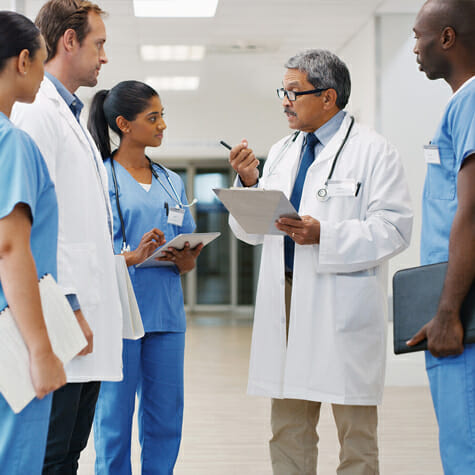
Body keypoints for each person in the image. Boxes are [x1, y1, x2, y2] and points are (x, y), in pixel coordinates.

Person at [227, 49, 413, 475]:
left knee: (356, 435)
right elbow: (255, 230)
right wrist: (250, 185)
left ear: (328, 97)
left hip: (341, 300)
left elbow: (395, 228)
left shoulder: (373, 151)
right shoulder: (282, 151)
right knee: (288, 428)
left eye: (293, 92)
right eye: (283, 91)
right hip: (287, 295)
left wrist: (324, 235)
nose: (285, 101)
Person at [11, 1, 124, 473]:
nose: (104, 57)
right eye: (98, 44)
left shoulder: (70, 116)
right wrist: (71, 303)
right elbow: (29, 230)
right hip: (62, 316)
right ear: (69, 41)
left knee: (68, 452)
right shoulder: (38, 115)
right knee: (51, 454)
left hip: (80, 317)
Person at [87, 80, 202, 475]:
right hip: (120, 316)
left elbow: (185, 239)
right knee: (114, 421)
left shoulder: (171, 180)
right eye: (153, 118)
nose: (162, 125)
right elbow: (87, 251)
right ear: (123, 124)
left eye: (162, 115)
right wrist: (131, 255)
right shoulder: (99, 179)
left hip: (166, 316)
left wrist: (186, 259)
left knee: (165, 419)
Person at [407, 1, 475, 473]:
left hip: (463, 312)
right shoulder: (459, 104)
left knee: (465, 444)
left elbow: (471, 212)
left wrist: (448, 312)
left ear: (447, 38)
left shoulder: (471, 100)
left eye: (419, 36)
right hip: (457, 302)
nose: (415, 48)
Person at [0, 11, 66, 474]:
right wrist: (41, 350)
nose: (44, 76)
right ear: (23, 61)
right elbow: (9, 248)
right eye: (43, 64)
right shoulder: (13, 144)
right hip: (11, 336)